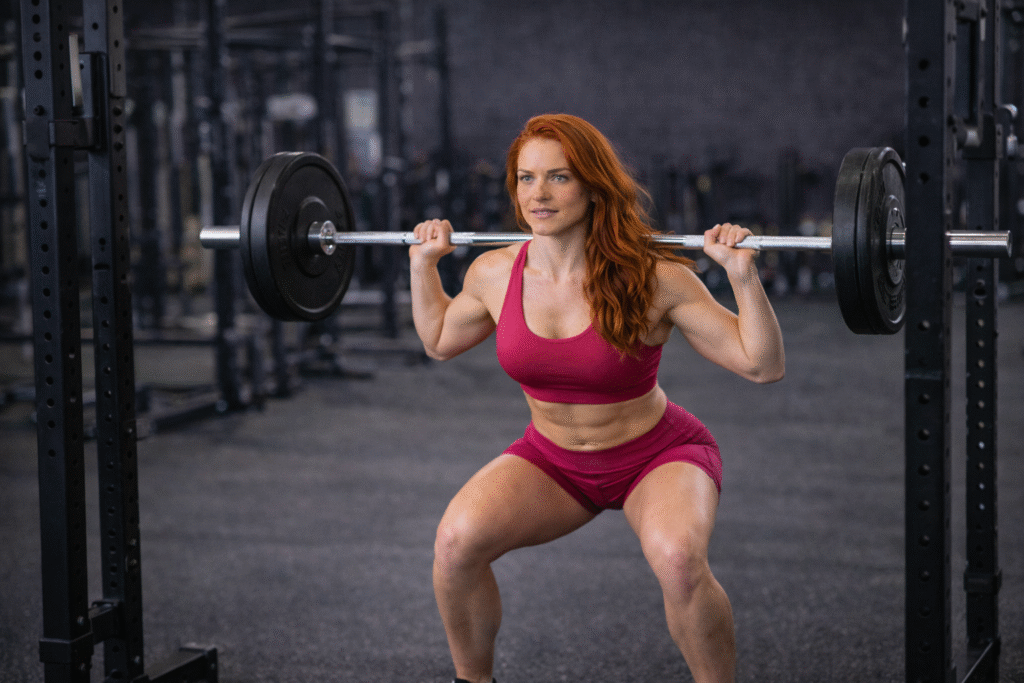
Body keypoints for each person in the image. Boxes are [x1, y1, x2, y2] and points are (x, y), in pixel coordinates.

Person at [408, 113, 785, 683]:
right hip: (553, 461)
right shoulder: (493, 273)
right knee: (456, 544)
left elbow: (762, 364)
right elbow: (438, 340)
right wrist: (423, 266)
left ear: (592, 184)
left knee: (679, 561)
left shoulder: (654, 276)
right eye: (526, 178)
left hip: (656, 455)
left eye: (558, 177)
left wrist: (742, 276)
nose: (539, 193)